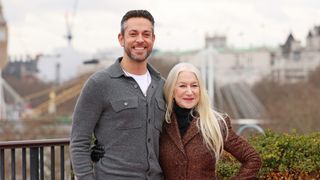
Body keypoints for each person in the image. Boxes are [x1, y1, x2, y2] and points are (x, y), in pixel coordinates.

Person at [70, 10, 166, 180]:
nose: (140, 40)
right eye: (133, 34)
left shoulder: (162, 86)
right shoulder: (99, 83)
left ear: (153, 39)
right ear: (121, 39)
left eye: (146, 34)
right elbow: (79, 143)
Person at [159, 62, 262, 179]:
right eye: (182, 86)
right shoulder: (160, 122)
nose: (189, 92)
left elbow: (252, 158)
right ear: (172, 90)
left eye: (194, 85)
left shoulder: (216, 123)